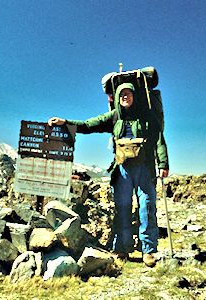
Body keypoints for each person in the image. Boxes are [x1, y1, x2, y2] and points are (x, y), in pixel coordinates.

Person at [48, 82, 169, 267]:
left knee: (147, 208)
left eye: (129, 94)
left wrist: (163, 164)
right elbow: (88, 125)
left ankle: (149, 251)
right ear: (118, 98)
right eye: (122, 95)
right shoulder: (114, 117)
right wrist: (66, 123)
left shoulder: (147, 117)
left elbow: (159, 140)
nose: (125, 97)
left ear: (135, 96)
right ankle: (121, 248)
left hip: (144, 168)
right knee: (122, 209)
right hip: (122, 170)